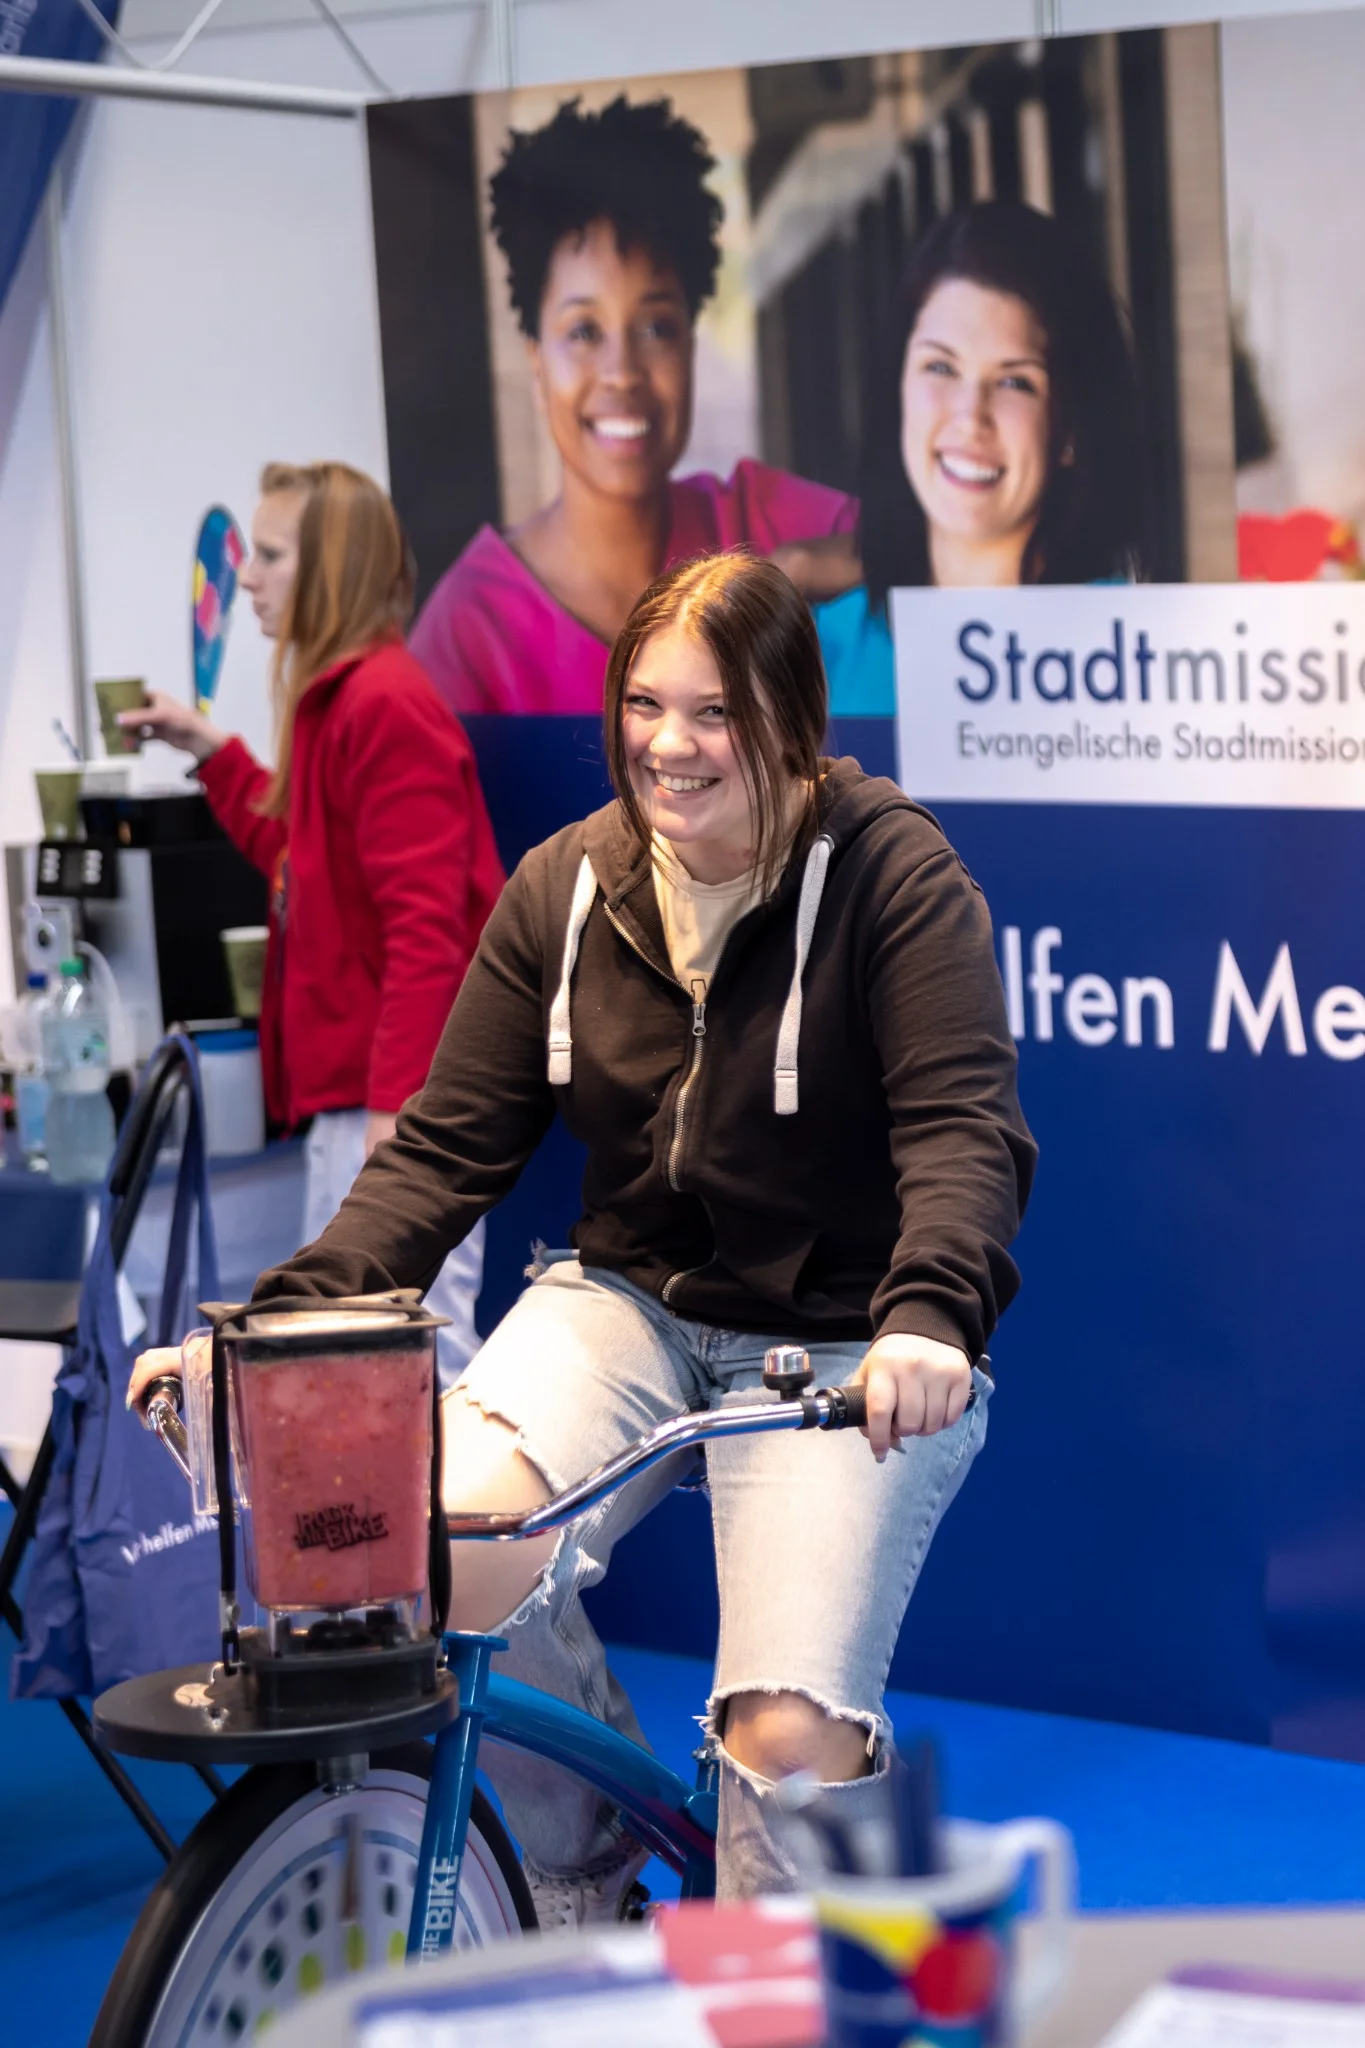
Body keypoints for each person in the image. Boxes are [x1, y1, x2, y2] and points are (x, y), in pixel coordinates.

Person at [130, 551, 1034, 1913]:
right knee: (444, 1549)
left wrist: (926, 1317)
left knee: (782, 1742)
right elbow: (441, 1151)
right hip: (631, 1301)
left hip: (845, 1338)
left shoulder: (890, 878)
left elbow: (963, 1132)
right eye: (646, 704)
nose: (671, 746)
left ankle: (783, 1989)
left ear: (793, 717)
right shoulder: (568, 886)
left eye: (717, 711)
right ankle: (591, 1858)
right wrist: (275, 1332)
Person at [125, 461, 504, 1386]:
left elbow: (429, 935)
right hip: (367, 1108)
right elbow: (305, 857)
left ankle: (524, 1538)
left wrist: (396, 1120)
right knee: (373, 1371)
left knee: (418, 1369)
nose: (246, 576)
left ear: (329, 568)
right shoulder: (344, 701)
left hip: (390, 1111)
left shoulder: (383, 705)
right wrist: (214, 753)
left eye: (271, 554)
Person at [410, 96, 861, 714]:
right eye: (584, 332)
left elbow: (942, 558)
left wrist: (805, 570)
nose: (622, 373)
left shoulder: (764, 523)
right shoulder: (469, 632)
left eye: (655, 329)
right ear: (536, 357)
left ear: (691, 344)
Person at [817, 199, 1148, 714]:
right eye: (941, 367)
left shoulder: (1143, 660)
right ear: (898, 386)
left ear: (1070, 430)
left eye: (1016, 381)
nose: (971, 416)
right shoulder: (812, 661)